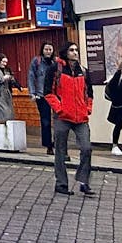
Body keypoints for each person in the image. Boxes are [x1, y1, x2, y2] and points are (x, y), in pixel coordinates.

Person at [45, 41, 94, 196]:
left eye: (76, 50)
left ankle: (83, 181)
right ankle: (61, 184)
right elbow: (48, 91)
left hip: (81, 117)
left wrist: (87, 109)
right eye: (72, 50)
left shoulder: (83, 71)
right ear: (65, 52)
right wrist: (59, 109)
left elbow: (89, 93)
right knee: (60, 150)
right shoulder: (56, 68)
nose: (75, 52)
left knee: (86, 148)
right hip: (63, 116)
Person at [27, 42, 59, 154]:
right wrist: (32, 93)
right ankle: (48, 145)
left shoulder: (56, 62)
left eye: (50, 49)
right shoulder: (37, 61)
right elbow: (31, 77)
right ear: (42, 50)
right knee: (45, 121)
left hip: (55, 95)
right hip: (41, 95)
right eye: (46, 49)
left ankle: (58, 142)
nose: (48, 51)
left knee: (58, 120)